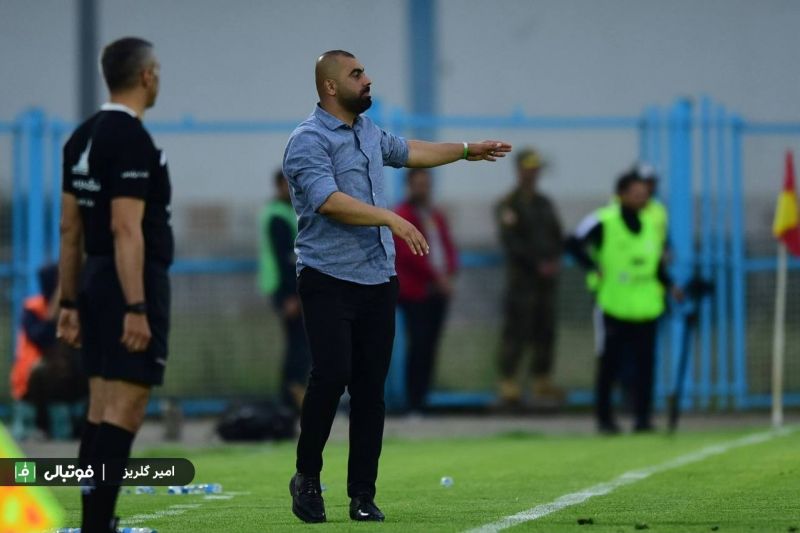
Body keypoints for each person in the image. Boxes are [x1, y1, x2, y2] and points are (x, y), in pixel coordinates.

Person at [283, 49, 511, 523]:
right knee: (331, 375)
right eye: (357, 74)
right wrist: (389, 217)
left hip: (377, 279)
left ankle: (362, 495)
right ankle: (307, 475)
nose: (367, 79)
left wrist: (466, 150)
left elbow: (412, 152)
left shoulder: (368, 132)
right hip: (326, 277)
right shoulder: (307, 140)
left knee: (371, 390)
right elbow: (328, 201)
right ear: (330, 87)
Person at [57, 37, 171, 532]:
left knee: (101, 407)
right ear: (146, 76)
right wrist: (137, 307)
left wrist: (68, 301)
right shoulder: (131, 139)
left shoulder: (80, 136)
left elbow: (69, 230)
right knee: (126, 407)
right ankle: (98, 524)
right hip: (130, 282)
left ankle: (94, 521)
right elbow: (126, 229)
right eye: (157, 70)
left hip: (94, 280)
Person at [565, 171, 681, 434]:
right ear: (621, 194)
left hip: (646, 306)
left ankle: (643, 419)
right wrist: (592, 266)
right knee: (610, 364)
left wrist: (670, 285)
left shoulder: (650, 223)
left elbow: (654, 265)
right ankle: (605, 419)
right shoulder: (603, 220)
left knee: (645, 364)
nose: (642, 198)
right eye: (636, 194)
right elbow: (572, 243)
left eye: (645, 194)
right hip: (613, 305)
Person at [495, 148, 564, 407]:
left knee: (545, 329)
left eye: (536, 169)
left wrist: (553, 260)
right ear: (519, 170)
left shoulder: (544, 203)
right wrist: (537, 263)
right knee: (517, 330)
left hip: (546, 282)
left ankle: (541, 381)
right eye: (528, 168)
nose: (533, 173)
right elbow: (511, 241)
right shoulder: (509, 204)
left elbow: (557, 235)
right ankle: (509, 382)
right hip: (522, 281)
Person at [394, 168, 459, 414]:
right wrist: (437, 277)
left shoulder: (435, 215)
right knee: (418, 345)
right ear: (409, 186)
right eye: (418, 184)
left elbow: (447, 246)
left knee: (430, 346)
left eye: (426, 184)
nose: (423, 189)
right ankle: (413, 402)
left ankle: (423, 398)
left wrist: (450, 272)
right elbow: (408, 254)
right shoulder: (402, 215)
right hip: (416, 292)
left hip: (437, 292)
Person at [258, 168, 310, 411]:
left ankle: (292, 398)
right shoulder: (278, 216)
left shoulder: (287, 212)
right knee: (299, 345)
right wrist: (291, 295)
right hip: (286, 290)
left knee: (298, 343)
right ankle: (291, 397)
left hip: (290, 289)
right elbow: (285, 259)